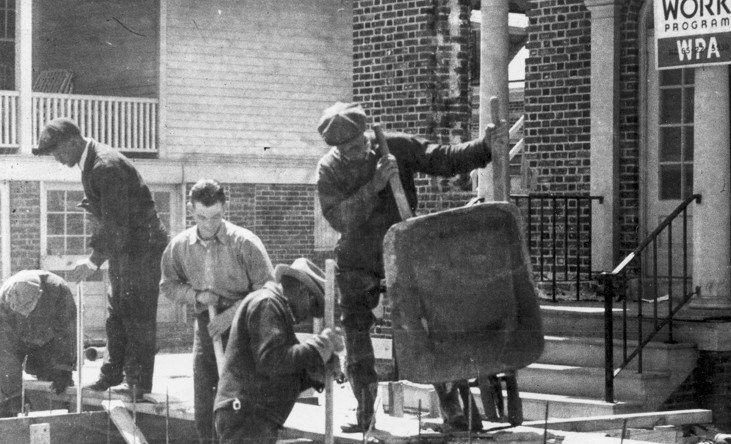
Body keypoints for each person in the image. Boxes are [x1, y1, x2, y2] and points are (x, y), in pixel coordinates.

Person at [315, 101, 506, 432]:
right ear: (336, 148)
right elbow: (339, 219)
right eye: (347, 150)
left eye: (359, 145)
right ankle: (365, 413)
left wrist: (484, 147)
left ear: (366, 133)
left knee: (429, 324)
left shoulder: (395, 146)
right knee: (356, 332)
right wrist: (374, 185)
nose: (355, 153)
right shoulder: (329, 169)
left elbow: (442, 158)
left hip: (403, 248)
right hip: (358, 257)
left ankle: (455, 412)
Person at [34, 117, 168, 399]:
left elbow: (117, 223)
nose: (56, 158)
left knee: (137, 314)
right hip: (126, 246)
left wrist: (93, 261)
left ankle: (136, 385)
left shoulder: (105, 166)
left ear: (73, 142)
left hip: (142, 247)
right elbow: (109, 217)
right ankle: (110, 378)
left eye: (57, 151)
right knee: (116, 312)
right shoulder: (90, 163)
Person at [161, 178, 275, 443]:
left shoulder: (245, 243)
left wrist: (231, 314)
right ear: (191, 210)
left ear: (225, 207)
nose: (209, 224)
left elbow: (269, 291)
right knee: (206, 400)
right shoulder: (180, 246)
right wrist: (197, 295)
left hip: (245, 327)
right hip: (207, 327)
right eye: (202, 217)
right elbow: (168, 286)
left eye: (215, 217)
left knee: (240, 399)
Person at [214, 258, 344, 444]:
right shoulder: (267, 304)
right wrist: (319, 346)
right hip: (247, 417)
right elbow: (272, 361)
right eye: (313, 306)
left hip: (252, 416)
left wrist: (314, 373)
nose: (308, 316)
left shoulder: (275, 309)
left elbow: (283, 370)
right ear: (303, 290)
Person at [0, 270, 76, 418]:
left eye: (25, 308)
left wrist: (63, 366)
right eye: (16, 308)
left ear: (39, 295)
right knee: (3, 387)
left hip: (48, 340)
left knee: (57, 382)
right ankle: (0, 425)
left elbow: (67, 333)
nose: (22, 314)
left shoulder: (59, 291)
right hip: (16, 338)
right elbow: (4, 352)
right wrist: (13, 394)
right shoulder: (0, 306)